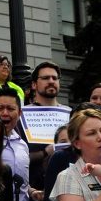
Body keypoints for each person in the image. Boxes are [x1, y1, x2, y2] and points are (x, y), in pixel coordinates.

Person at [28, 61, 70, 192]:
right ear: (34, 84)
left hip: (68, 187)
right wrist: (45, 152)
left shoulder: (71, 114)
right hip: (34, 190)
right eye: (45, 78)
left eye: (54, 78)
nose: (51, 81)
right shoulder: (22, 116)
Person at [0, 88, 39, 201]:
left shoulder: (23, 145)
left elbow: (22, 183)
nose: (5, 113)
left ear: (19, 113)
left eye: (10, 109)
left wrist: (32, 192)